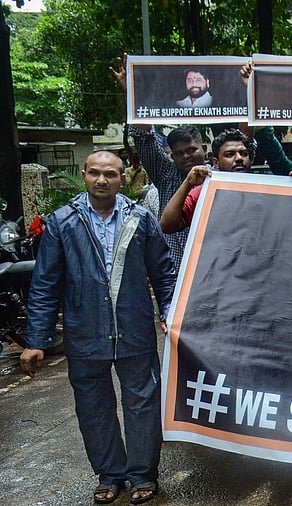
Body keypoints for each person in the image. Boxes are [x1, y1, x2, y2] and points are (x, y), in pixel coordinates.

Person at [20, 150, 176, 505]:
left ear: (122, 178)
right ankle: (110, 474)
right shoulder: (62, 222)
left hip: (133, 329)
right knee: (94, 406)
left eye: (110, 174)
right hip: (84, 331)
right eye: (94, 173)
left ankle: (141, 475)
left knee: (142, 403)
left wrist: (169, 311)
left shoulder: (141, 219)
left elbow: (163, 274)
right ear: (84, 174)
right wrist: (36, 340)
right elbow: (46, 283)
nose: (101, 180)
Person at [111, 53, 256, 267]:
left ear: (206, 151)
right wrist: (134, 94)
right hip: (175, 269)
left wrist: (249, 91)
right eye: (179, 153)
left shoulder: (221, 174)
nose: (186, 156)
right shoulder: (166, 174)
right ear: (171, 155)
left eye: (191, 150)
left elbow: (244, 143)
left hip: (218, 268)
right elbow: (144, 138)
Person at [160, 129, 252, 234]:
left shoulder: (264, 191)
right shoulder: (203, 192)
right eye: (229, 154)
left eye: (244, 153)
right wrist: (188, 183)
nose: (239, 158)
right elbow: (166, 227)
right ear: (216, 162)